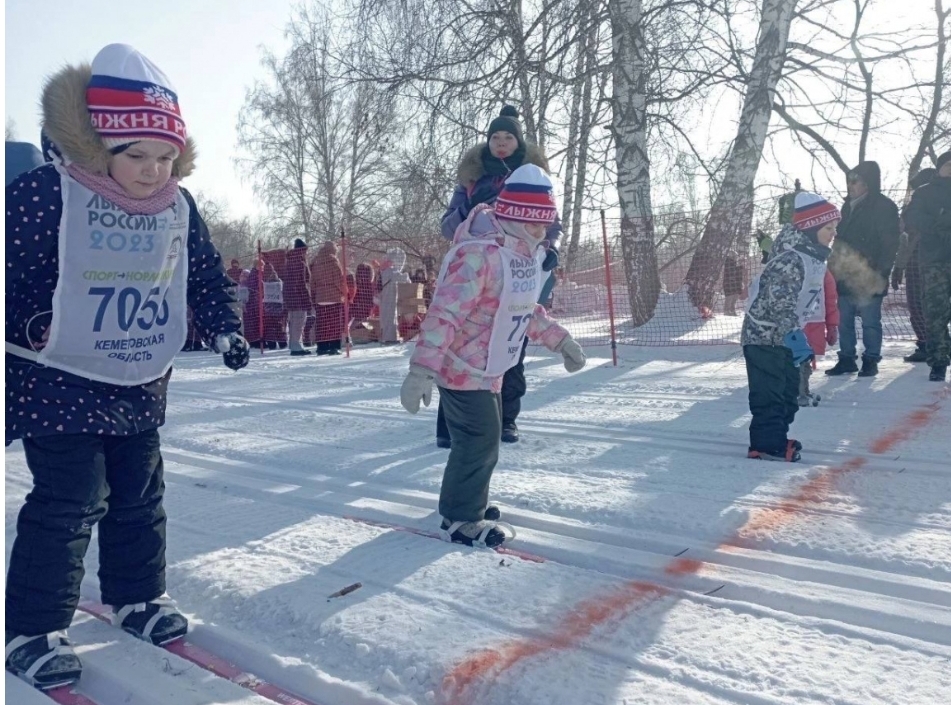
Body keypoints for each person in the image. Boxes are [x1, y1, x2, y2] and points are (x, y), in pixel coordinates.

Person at [4, 44, 249, 688]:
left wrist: (223, 325)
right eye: (136, 155)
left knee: (139, 493)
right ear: (99, 145)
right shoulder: (46, 195)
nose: (152, 170)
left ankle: (137, 596)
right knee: (70, 498)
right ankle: (31, 628)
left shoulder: (177, 206)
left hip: (137, 377)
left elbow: (202, 275)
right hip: (56, 377)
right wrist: (27, 326)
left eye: (165, 156)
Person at [400, 165, 586, 547]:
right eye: (535, 226)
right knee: (477, 440)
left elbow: (524, 310)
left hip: (490, 368)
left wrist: (560, 340)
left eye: (545, 227)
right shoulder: (478, 257)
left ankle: (472, 501)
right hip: (462, 367)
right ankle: (459, 517)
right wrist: (421, 370)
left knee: (486, 441)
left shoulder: (519, 257)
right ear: (514, 217)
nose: (541, 234)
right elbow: (444, 312)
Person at [436, 106, 562, 447]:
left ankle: (506, 420)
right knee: (460, 340)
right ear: (487, 141)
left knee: (512, 339)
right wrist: (473, 208)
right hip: (475, 267)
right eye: (495, 137)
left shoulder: (532, 176)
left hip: (518, 268)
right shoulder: (472, 178)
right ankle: (449, 425)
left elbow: (550, 222)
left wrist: (549, 246)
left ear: (519, 141)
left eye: (508, 137)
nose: (501, 143)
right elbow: (448, 226)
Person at [742, 192, 840, 462]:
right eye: (828, 228)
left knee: (788, 393)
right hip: (763, 336)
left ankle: (776, 437)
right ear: (810, 228)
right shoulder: (791, 259)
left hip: (783, 337)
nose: (833, 233)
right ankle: (766, 445)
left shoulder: (812, 258)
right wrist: (796, 336)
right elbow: (780, 303)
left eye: (834, 228)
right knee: (770, 394)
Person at [826, 162, 901, 377]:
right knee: (844, 320)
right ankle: (847, 358)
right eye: (849, 180)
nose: (850, 185)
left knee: (870, 321)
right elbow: (839, 240)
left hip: (870, 273)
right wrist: (832, 267)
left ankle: (871, 359)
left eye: (855, 180)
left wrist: (881, 272)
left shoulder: (884, 206)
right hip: (844, 272)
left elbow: (890, 243)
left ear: (867, 182)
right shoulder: (847, 206)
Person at [904, 151, 951, 382]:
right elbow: (911, 217)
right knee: (935, 313)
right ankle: (939, 361)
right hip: (934, 261)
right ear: (940, 167)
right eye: (948, 164)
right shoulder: (924, 192)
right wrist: (937, 224)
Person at [894, 168, 938, 363]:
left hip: (931, 261)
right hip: (915, 262)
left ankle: (932, 344)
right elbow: (904, 239)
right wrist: (899, 266)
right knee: (916, 305)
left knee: (927, 306)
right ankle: (925, 343)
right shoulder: (912, 208)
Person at [800, 270, 839, 405]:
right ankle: (800, 391)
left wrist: (832, 326)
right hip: (808, 321)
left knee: (800, 357)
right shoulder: (822, 271)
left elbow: (830, 300)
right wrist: (832, 325)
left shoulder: (822, 272)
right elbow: (830, 300)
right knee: (799, 357)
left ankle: (801, 390)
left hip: (810, 322)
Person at [312, 240, 348, 355]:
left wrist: (314, 295)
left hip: (320, 297)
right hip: (333, 296)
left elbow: (312, 282)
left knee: (322, 323)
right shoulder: (333, 261)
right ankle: (334, 346)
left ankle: (322, 347)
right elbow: (338, 280)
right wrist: (344, 292)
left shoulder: (316, 262)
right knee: (334, 323)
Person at [284, 239, 312, 356]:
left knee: (293, 321)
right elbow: (301, 282)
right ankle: (296, 346)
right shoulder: (299, 262)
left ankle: (294, 344)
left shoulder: (289, 260)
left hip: (289, 295)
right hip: (298, 296)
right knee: (299, 321)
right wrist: (307, 298)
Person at [379, 247, 410, 344]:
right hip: (389, 297)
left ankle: (388, 337)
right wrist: (407, 276)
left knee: (389, 316)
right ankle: (390, 338)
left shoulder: (386, 270)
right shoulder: (391, 271)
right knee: (390, 316)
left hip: (387, 296)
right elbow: (404, 279)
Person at [722, 245, 745, 316]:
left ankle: (732, 310)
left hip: (734, 284)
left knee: (734, 297)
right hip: (729, 283)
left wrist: (740, 268)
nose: (736, 258)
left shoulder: (733, 263)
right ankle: (727, 311)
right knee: (729, 297)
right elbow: (732, 272)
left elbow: (735, 272)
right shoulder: (729, 263)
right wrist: (739, 268)